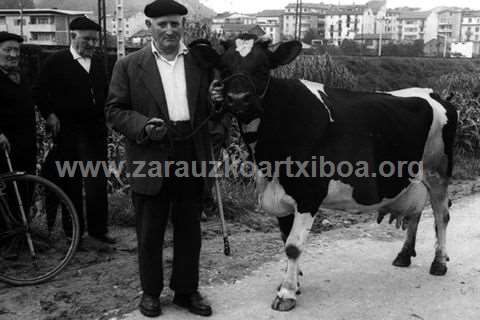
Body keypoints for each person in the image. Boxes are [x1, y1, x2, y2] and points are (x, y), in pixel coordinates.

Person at [105, 0, 225, 317]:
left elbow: (212, 114)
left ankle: (186, 292)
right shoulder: (129, 65)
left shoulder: (199, 63)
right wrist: (144, 126)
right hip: (150, 151)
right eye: (163, 24)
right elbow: (114, 111)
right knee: (149, 230)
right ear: (150, 27)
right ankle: (151, 293)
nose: (170, 30)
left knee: (189, 229)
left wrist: (216, 103)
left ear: (182, 26)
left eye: (175, 24)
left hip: (190, 151)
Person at [33, 17, 114, 245]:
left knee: (97, 181)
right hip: (69, 132)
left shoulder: (98, 62)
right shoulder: (56, 61)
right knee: (72, 182)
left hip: (95, 132)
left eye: (95, 40)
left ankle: (99, 231)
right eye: (87, 39)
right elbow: (38, 91)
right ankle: (74, 233)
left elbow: (105, 92)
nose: (92, 44)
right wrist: (49, 114)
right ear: (72, 36)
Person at [0, 31, 36, 176]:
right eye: (7, 50)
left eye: (17, 50)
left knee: (25, 190)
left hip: (25, 145)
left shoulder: (22, 76)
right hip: (4, 147)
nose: (13, 55)